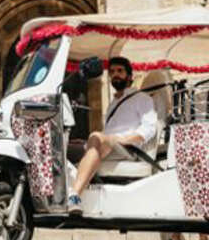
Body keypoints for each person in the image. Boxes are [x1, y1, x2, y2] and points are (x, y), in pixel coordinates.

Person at [67, 56, 157, 215]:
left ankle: (74, 195)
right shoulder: (113, 102)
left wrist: (123, 139)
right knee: (64, 147)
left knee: (96, 135)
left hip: (127, 148)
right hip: (108, 144)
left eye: (120, 71)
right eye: (113, 72)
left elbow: (149, 128)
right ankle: (63, 195)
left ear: (129, 76)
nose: (115, 74)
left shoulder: (141, 98)